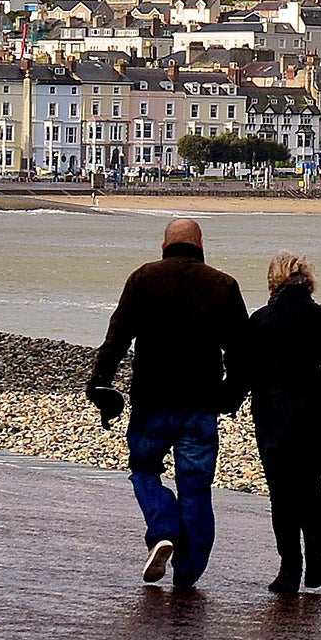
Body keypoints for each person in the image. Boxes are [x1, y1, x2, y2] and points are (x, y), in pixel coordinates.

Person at [87, 217, 247, 590]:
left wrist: (100, 382)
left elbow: (117, 337)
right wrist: (232, 394)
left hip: (152, 402)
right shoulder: (222, 285)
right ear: (201, 245)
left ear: (164, 247)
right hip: (201, 404)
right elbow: (243, 352)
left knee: (144, 469)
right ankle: (187, 575)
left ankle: (162, 527)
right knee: (195, 487)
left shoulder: (143, 279)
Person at [239, 252, 321, 595]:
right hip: (316, 417)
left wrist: (225, 400)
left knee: (282, 493)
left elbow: (245, 372)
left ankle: (289, 566)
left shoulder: (260, 320)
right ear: (308, 281)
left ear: (272, 283)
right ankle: (317, 552)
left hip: (273, 418)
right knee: (310, 486)